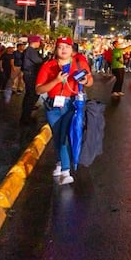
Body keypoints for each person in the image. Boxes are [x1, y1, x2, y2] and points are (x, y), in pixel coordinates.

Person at [36, 36, 93, 185]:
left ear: (71, 50)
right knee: (57, 136)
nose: (64, 50)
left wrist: (84, 81)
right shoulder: (48, 66)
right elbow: (38, 89)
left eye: (67, 47)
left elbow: (90, 81)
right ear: (56, 50)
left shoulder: (80, 64)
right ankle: (60, 162)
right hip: (53, 106)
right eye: (60, 47)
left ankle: (66, 170)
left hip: (72, 105)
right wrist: (55, 80)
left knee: (66, 135)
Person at [21, 35, 45, 125]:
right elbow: (39, 61)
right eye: (39, 42)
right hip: (30, 75)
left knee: (29, 96)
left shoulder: (30, 51)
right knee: (31, 96)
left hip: (29, 74)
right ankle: (26, 117)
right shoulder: (31, 51)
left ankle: (26, 115)